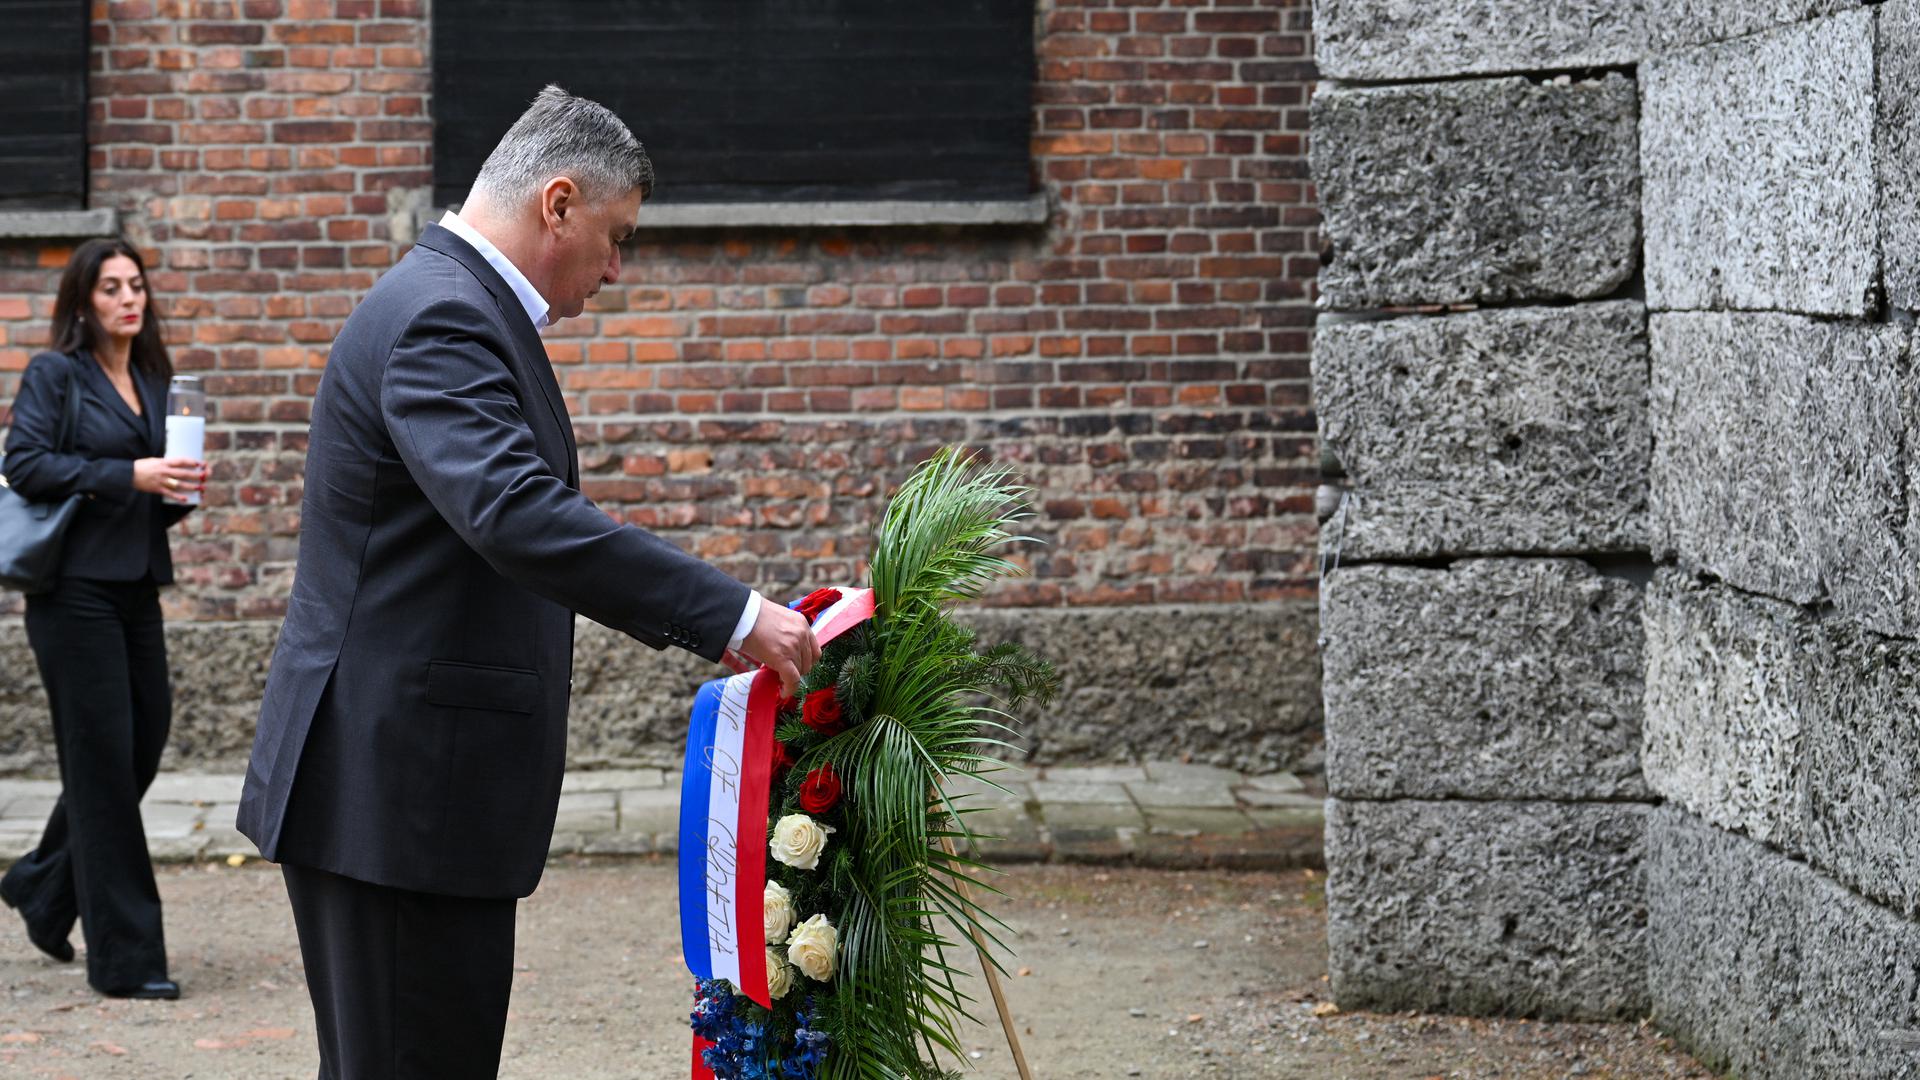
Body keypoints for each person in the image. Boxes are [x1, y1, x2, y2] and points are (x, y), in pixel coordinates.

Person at [236, 86, 819, 1079]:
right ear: (558, 204)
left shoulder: (453, 302)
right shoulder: (443, 317)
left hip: (410, 792)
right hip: (396, 797)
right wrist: (732, 614)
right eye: (615, 236)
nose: (616, 267)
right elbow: (516, 514)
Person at [0, 238, 208, 1000]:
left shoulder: (153, 381)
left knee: (140, 743)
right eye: (111, 287)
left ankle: (42, 886)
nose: (129, 298)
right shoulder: (57, 374)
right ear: (83, 302)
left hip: (135, 584)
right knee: (102, 769)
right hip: (72, 593)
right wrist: (130, 473)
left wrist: (176, 489)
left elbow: (150, 492)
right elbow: (25, 464)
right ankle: (126, 959)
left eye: (136, 285)